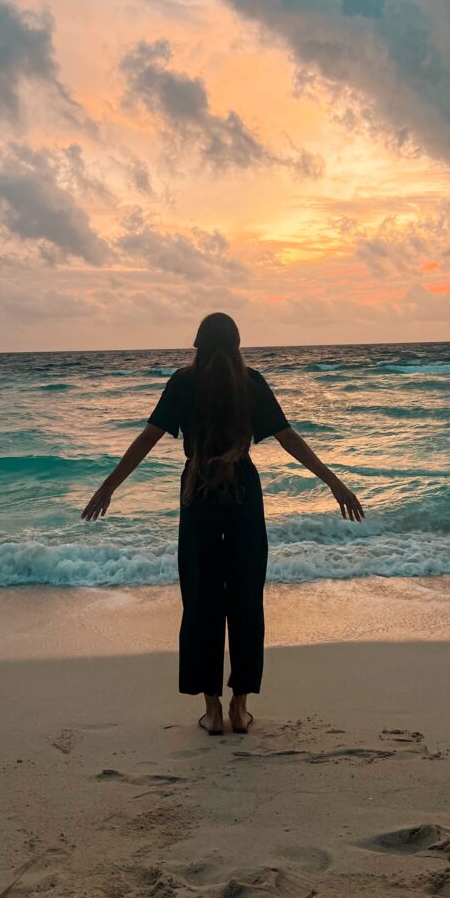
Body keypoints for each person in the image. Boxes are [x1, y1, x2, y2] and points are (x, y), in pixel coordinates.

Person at [81, 313, 363, 735]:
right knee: (246, 598)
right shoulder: (252, 383)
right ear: (237, 345)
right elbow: (288, 437)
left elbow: (147, 438)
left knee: (201, 599)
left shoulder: (183, 382)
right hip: (243, 492)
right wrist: (334, 483)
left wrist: (108, 487)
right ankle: (240, 707)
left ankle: (212, 710)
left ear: (197, 344)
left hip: (198, 493)